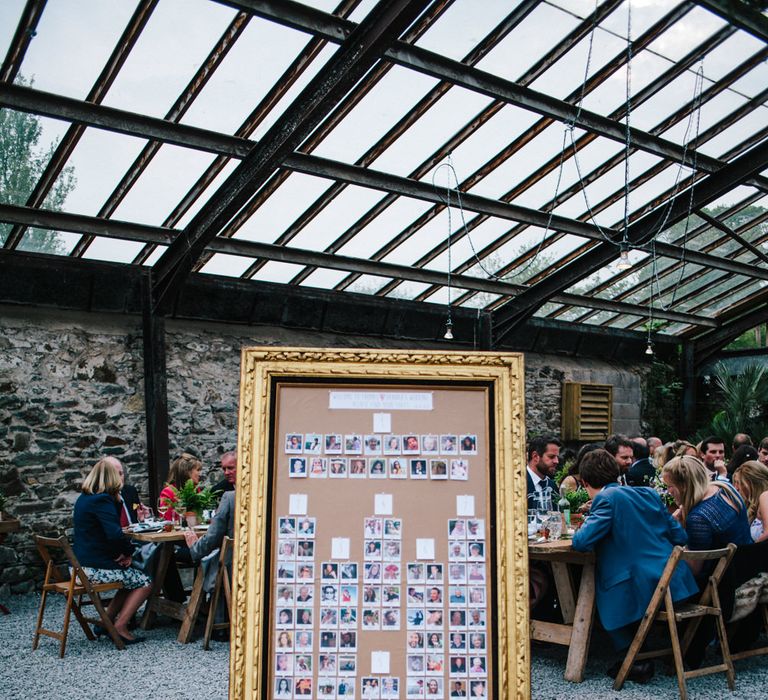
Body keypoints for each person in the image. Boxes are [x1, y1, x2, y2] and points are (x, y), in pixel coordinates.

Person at [572, 449, 698, 683]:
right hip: (674, 582)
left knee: (599, 592)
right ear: (617, 473)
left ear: (585, 482)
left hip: (643, 587)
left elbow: (581, 542)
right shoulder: (649, 494)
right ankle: (641, 652)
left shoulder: (606, 499)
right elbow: (679, 536)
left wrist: (589, 519)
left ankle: (636, 659)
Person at [72, 457, 152, 644]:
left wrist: (123, 553)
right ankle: (120, 626)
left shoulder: (86, 498)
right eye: (117, 475)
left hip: (81, 565)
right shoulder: (102, 500)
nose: (120, 479)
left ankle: (104, 622)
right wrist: (128, 554)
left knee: (131, 577)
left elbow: (105, 533)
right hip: (93, 568)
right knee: (146, 582)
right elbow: (114, 535)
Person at [662, 455, 752, 569]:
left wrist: (676, 531)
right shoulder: (724, 487)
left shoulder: (698, 517)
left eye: (670, 486)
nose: (668, 491)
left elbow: (695, 569)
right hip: (750, 560)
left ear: (684, 485)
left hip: (730, 577)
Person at [183, 489, 236, 640]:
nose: (226, 472)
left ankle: (205, 616)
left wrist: (195, 548)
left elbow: (213, 536)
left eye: (230, 468)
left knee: (202, 557)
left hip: (230, 565)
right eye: (224, 468)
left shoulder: (230, 496)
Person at [159, 453, 203, 520]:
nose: (200, 474)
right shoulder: (168, 492)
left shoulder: (196, 489)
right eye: (198, 470)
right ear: (187, 472)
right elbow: (167, 519)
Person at [732, 460, 768, 542]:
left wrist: (750, 551)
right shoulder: (750, 507)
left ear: (752, 484)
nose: (736, 488)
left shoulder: (765, 496)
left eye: (739, 483)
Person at [526, 436, 560, 507]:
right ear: (535, 456)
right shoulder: (518, 484)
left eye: (557, 457)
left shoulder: (552, 485)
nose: (556, 461)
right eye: (551, 457)